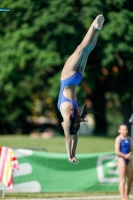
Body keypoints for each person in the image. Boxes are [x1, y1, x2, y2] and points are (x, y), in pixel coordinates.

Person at [57, 14, 105, 164]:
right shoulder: (66, 116)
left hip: (77, 79)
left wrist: (73, 153)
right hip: (67, 78)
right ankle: (93, 26)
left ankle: (97, 29)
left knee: (87, 50)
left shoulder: (76, 116)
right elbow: (68, 137)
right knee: (80, 48)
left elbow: (74, 136)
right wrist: (69, 155)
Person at [115, 123, 133, 200]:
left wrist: (130, 154)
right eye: (123, 129)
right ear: (119, 130)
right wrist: (126, 156)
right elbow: (117, 151)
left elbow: (131, 149)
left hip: (128, 160)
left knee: (130, 178)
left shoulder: (129, 139)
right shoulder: (118, 139)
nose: (125, 131)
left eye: (126, 129)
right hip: (121, 159)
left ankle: (127, 195)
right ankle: (123, 197)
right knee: (122, 179)